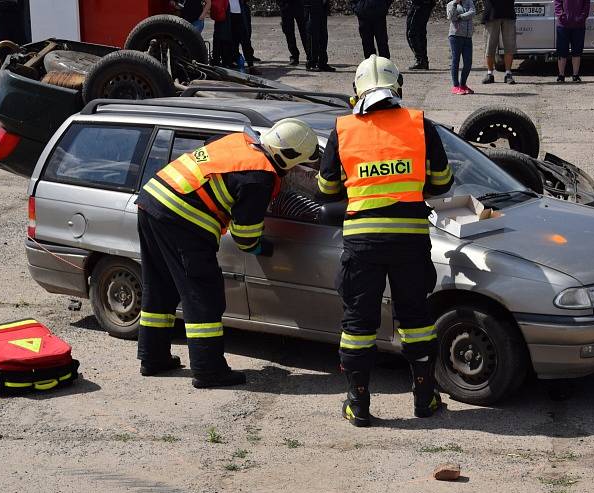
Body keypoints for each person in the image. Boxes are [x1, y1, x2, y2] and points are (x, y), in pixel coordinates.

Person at [316, 56, 454, 427]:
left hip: (362, 243)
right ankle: (425, 400)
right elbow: (442, 183)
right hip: (410, 241)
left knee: (358, 324)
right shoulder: (419, 124)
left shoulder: (343, 129)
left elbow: (327, 189)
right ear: (398, 88)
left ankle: (358, 406)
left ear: (356, 91)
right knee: (417, 321)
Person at [135, 120, 319, 388]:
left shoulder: (239, 142)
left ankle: (153, 358)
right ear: (287, 156)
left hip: (152, 200)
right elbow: (245, 237)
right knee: (203, 295)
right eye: (298, 163)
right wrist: (264, 246)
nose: (295, 169)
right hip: (183, 219)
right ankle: (208, 370)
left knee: (160, 286)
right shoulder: (259, 176)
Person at [481, 0, 517, 84]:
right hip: (491, 13)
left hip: (508, 12)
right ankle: (489, 73)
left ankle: (508, 74)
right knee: (490, 46)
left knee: (509, 45)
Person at [555, 0, 590, 82]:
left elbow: (586, 5)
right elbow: (557, 4)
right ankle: (561, 75)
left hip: (579, 25)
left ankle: (575, 75)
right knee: (562, 51)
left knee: (577, 51)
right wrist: (562, 17)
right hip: (563, 25)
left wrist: (581, 17)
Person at [447, 0, 476, 94]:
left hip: (468, 36)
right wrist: (455, 5)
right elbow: (451, 17)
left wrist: (460, 16)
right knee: (455, 60)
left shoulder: (469, 2)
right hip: (455, 36)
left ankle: (463, 84)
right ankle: (456, 86)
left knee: (468, 62)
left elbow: (472, 13)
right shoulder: (451, 4)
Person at [303, 0, 335, 71]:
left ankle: (322, 62)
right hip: (311, 6)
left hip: (322, 6)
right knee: (312, 35)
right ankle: (311, 63)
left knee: (323, 35)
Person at [228, 0, 258, 72]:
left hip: (240, 15)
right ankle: (233, 61)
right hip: (228, 15)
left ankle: (250, 65)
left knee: (245, 40)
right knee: (232, 41)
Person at [406, 0, 436, 69]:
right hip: (424, 4)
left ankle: (421, 60)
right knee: (420, 33)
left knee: (412, 33)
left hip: (419, 5)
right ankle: (423, 60)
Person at [279, 0, 309, 65]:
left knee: (304, 31)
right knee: (288, 32)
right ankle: (294, 56)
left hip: (299, 4)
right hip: (285, 5)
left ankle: (310, 56)